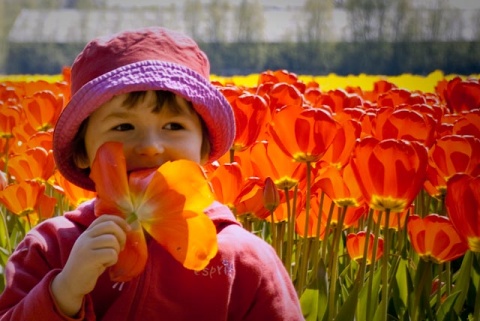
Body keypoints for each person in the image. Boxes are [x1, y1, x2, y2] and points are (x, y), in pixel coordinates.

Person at [0, 27, 304, 320]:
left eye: (173, 126)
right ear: (81, 151)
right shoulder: (49, 248)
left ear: (204, 147)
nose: (150, 146)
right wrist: (63, 292)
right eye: (123, 127)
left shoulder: (244, 259)